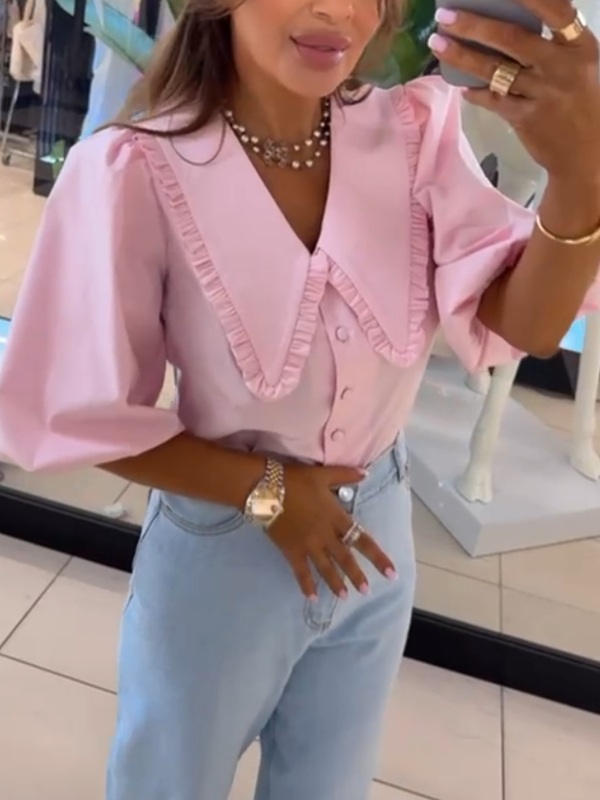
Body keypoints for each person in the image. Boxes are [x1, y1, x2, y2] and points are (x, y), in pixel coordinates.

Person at [0, 0, 599, 797]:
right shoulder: (136, 169)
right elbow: (75, 411)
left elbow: (527, 325)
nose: (335, 9)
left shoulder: (415, 134)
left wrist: (581, 174)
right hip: (221, 549)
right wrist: (270, 492)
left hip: (376, 540)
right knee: (169, 782)